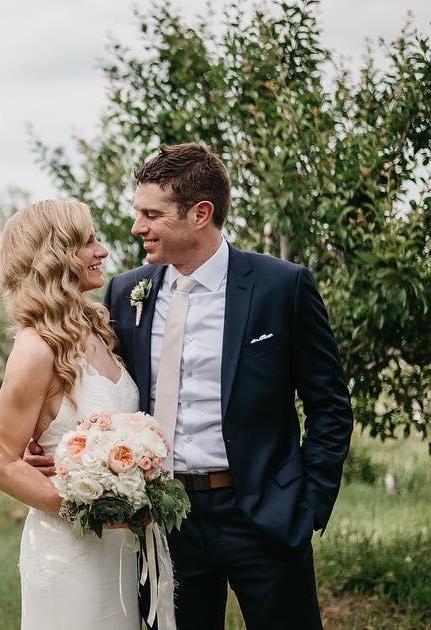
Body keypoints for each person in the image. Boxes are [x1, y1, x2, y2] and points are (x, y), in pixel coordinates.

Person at [27, 142, 353, 630]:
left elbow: (330, 404)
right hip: (161, 517)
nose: (137, 227)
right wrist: (59, 444)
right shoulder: (125, 291)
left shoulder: (281, 287)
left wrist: (308, 504)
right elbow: (106, 388)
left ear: (200, 214)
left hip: (264, 513)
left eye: (151, 214)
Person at [0, 199, 142, 630]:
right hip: (68, 549)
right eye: (87, 242)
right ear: (55, 257)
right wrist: (86, 510)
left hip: (120, 548)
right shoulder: (36, 348)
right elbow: (0, 461)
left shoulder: (98, 330)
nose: (102, 251)